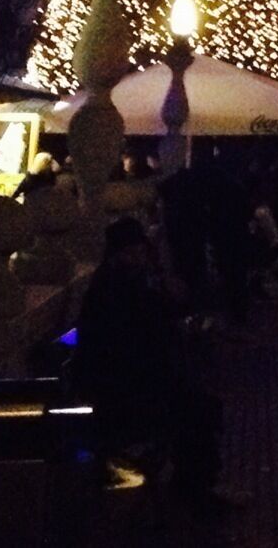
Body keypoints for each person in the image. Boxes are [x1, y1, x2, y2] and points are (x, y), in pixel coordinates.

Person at [74, 217, 230, 514]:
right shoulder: (118, 288)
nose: (140, 257)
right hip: (123, 388)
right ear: (122, 254)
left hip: (127, 380)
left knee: (197, 404)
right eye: (135, 252)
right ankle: (194, 489)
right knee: (197, 410)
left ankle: (194, 485)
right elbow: (147, 329)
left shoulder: (118, 282)